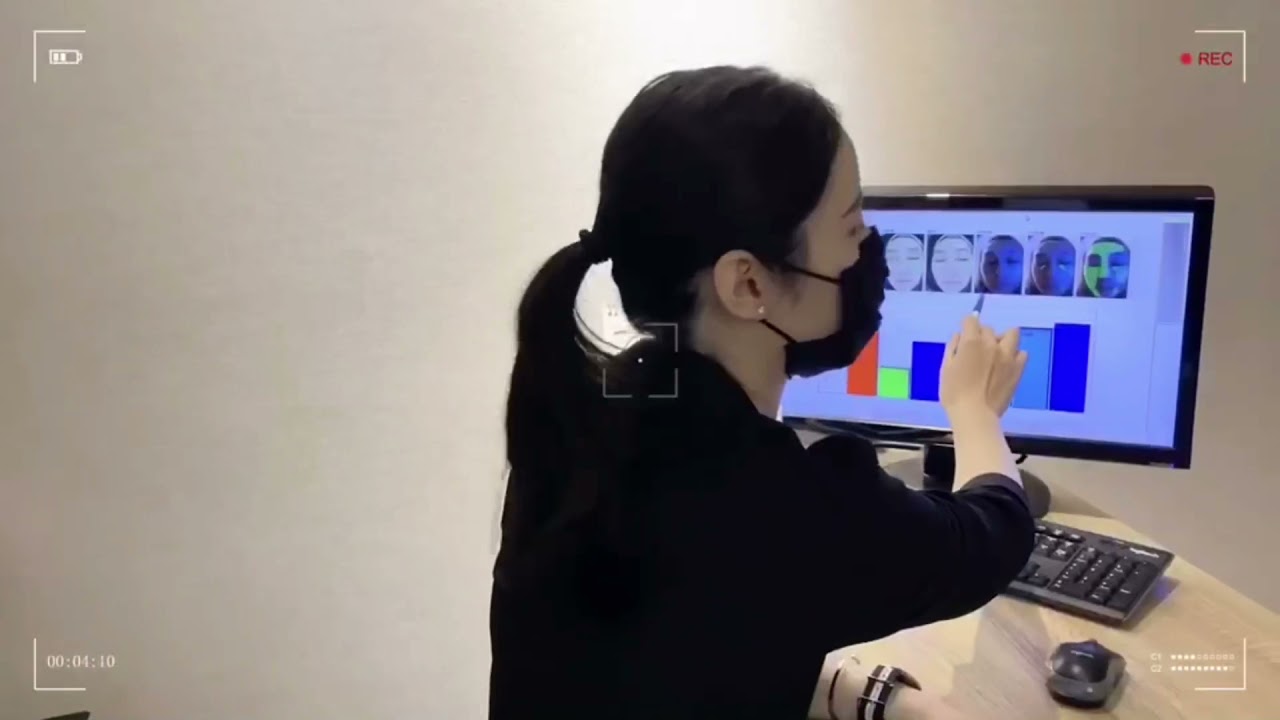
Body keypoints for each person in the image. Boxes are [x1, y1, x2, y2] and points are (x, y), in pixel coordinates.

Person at [491, 66, 1035, 720]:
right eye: (851, 227)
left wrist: (850, 691)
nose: (866, 251)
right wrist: (974, 411)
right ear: (748, 284)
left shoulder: (593, 420)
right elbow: (990, 537)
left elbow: (676, 652)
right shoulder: (777, 502)